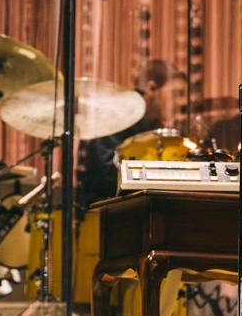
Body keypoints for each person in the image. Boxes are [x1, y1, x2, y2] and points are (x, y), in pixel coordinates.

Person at [76, 59, 186, 207]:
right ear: (152, 88)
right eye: (176, 94)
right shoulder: (117, 116)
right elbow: (110, 175)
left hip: (139, 205)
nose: (180, 102)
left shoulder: (151, 127)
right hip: (106, 210)